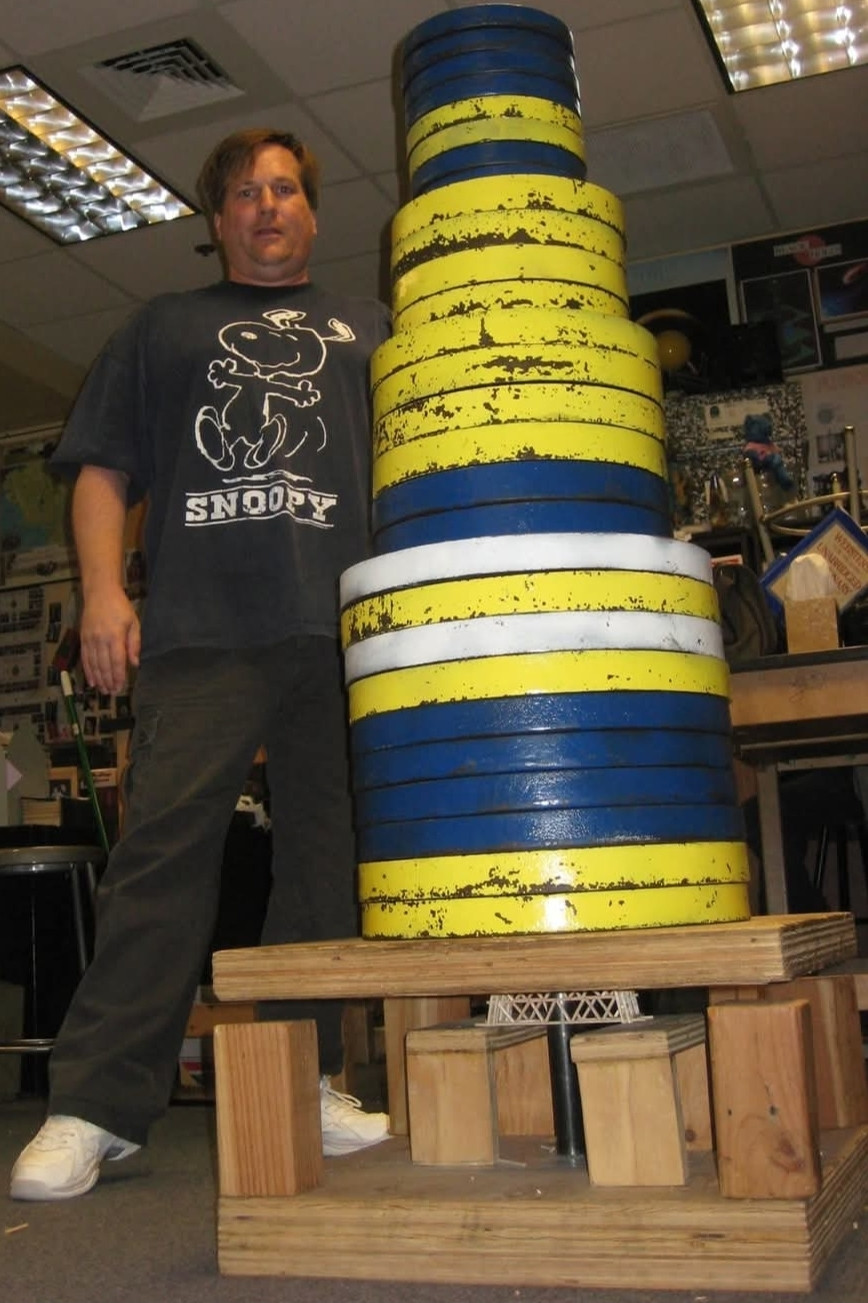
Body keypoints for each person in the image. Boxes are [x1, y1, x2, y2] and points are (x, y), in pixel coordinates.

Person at [11, 128, 392, 1201]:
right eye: (246, 193)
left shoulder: (374, 329)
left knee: (329, 863)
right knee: (162, 860)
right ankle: (96, 1104)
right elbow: (101, 471)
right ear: (218, 221)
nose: (267, 205)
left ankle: (306, 1077)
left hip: (346, 635)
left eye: (285, 189)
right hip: (203, 631)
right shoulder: (162, 327)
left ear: (312, 212)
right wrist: (103, 593)